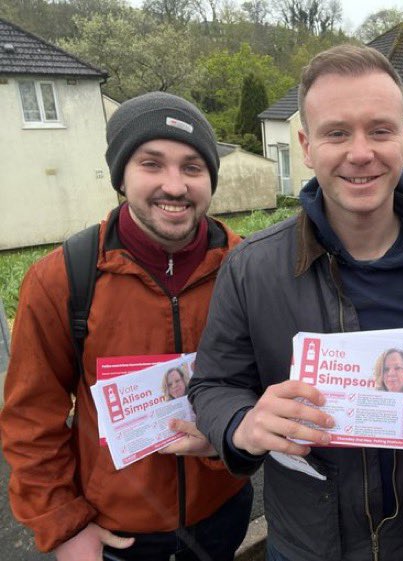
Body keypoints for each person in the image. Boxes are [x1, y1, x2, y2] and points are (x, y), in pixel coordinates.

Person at [189, 44, 403, 561]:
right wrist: (243, 425)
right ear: (306, 145)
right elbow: (213, 384)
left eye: (380, 130)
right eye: (337, 132)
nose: (360, 152)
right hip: (306, 545)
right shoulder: (252, 267)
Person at [0, 92, 252, 561]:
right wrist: (64, 526)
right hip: (117, 532)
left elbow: (269, 379)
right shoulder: (64, 277)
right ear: (121, 175)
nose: (174, 186)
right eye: (151, 164)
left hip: (224, 511)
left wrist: (225, 436)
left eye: (192, 167)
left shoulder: (246, 267)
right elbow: (31, 419)